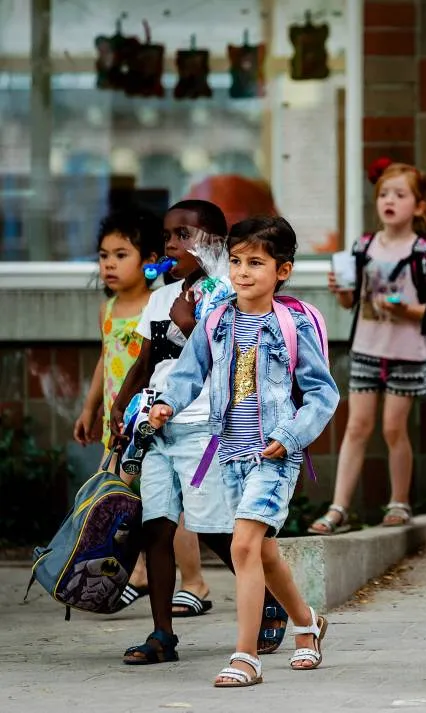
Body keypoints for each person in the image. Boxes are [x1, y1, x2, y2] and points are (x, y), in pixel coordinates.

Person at [148, 215, 340, 686]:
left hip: (275, 455)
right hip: (229, 454)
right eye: (236, 261)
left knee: (244, 546)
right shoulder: (216, 319)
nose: (242, 272)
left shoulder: (293, 325)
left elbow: (322, 394)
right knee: (264, 552)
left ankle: (245, 655)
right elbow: (189, 371)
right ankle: (307, 623)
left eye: (256, 262)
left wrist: (292, 436)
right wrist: (167, 403)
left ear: (284, 270)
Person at [111, 200, 287, 663]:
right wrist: (122, 405)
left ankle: (271, 599)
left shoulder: (232, 290)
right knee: (158, 527)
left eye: (184, 235)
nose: (171, 244)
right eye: (168, 235)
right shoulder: (162, 296)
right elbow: (150, 358)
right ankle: (162, 635)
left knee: (215, 527)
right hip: (157, 425)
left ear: (214, 241)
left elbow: (230, 356)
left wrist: (194, 326)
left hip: (205, 425)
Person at [308, 163, 426, 534]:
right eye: (384, 194)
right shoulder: (363, 247)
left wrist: (406, 310)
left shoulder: (423, 253)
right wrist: (342, 291)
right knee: (356, 426)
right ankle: (338, 508)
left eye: (400, 195)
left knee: (393, 429)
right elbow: (353, 303)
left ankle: (399, 502)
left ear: (418, 206)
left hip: (406, 353)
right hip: (367, 347)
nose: (390, 201)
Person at [72, 207, 162, 606]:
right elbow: (103, 360)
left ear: (149, 262)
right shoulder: (107, 310)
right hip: (116, 425)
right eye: (104, 255)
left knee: (154, 501)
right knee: (115, 497)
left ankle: (170, 577)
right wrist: (89, 409)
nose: (109, 263)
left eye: (121, 254)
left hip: (147, 422)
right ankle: (129, 571)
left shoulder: (157, 306)